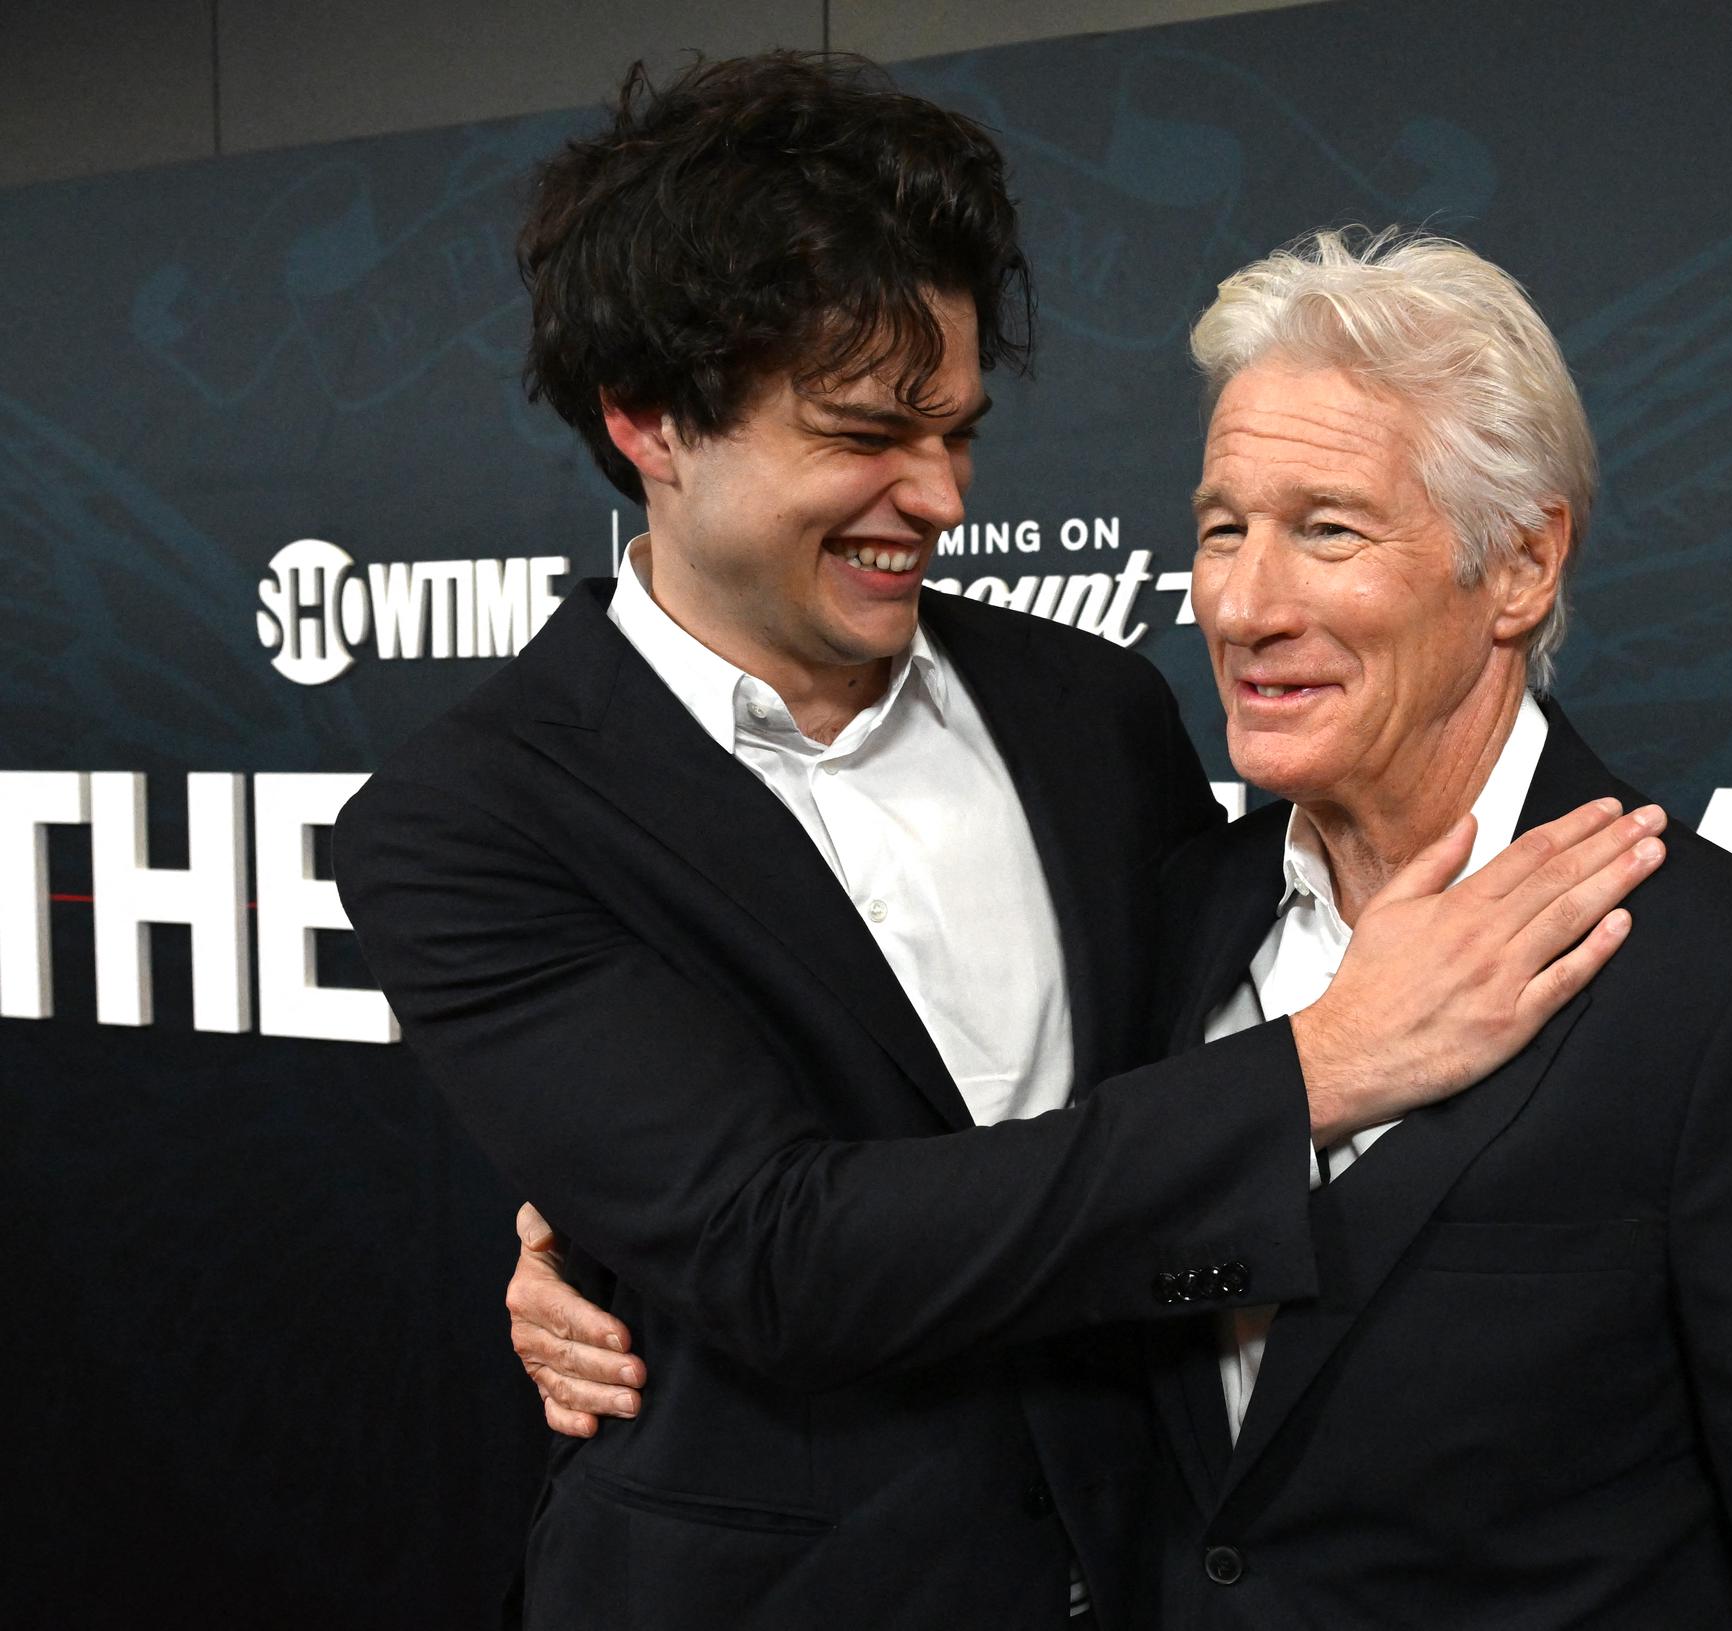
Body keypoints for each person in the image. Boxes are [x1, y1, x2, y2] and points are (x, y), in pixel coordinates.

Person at [519, 229, 1732, 1627]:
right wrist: (606, 1259)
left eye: (1327, 529)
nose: (1244, 603)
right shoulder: (1164, 915)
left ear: (1521, 565)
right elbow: (977, 1207)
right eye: (1224, 527)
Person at [334, 58, 1659, 1631]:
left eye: (959, 431)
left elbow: (1172, 1109)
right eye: (865, 434)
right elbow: (778, 1256)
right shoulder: (465, 822)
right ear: (648, 421)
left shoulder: (1090, 710)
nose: (939, 497)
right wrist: (1321, 1065)